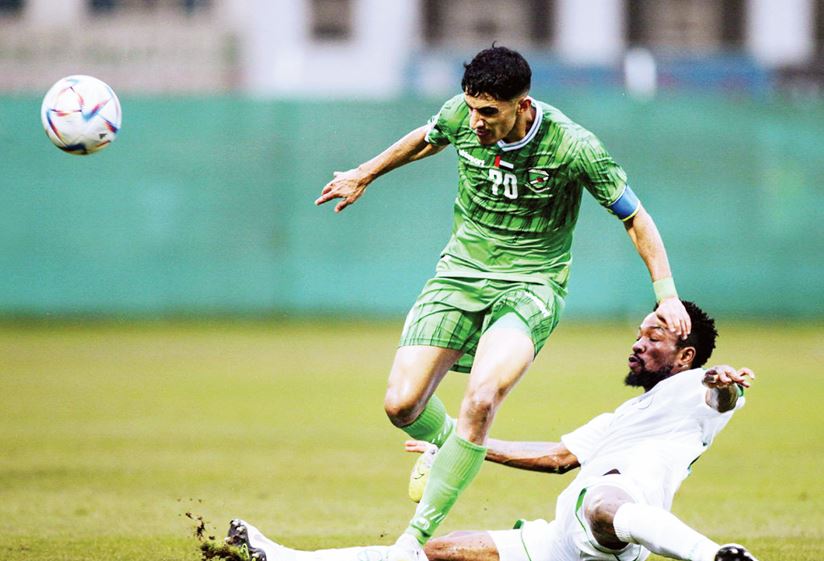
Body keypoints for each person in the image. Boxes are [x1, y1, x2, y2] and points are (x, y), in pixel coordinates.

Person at [315, 46, 692, 558]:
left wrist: (666, 295)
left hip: (532, 285)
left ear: (523, 105)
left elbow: (635, 217)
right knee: (401, 405)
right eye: (472, 108)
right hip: (459, 274)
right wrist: (365, 172)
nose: (476, 121)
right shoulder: (460, 115)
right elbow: (429, 137)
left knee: (481, 398)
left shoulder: (574, 147)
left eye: (489, 112)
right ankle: (449, 444)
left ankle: (412, 541)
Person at [225, 301, 759, 561]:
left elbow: (721, 397)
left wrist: (722, 383)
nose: (639, 342)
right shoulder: (625, 416)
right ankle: (284, 559)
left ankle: (715, 557)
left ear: (685, 356)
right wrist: (457, 440)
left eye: (655, 335)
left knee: (603, 502)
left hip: (608, 529)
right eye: (639, 332)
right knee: (434, 553)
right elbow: (556, 456)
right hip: (559, 540)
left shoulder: (695, 392)